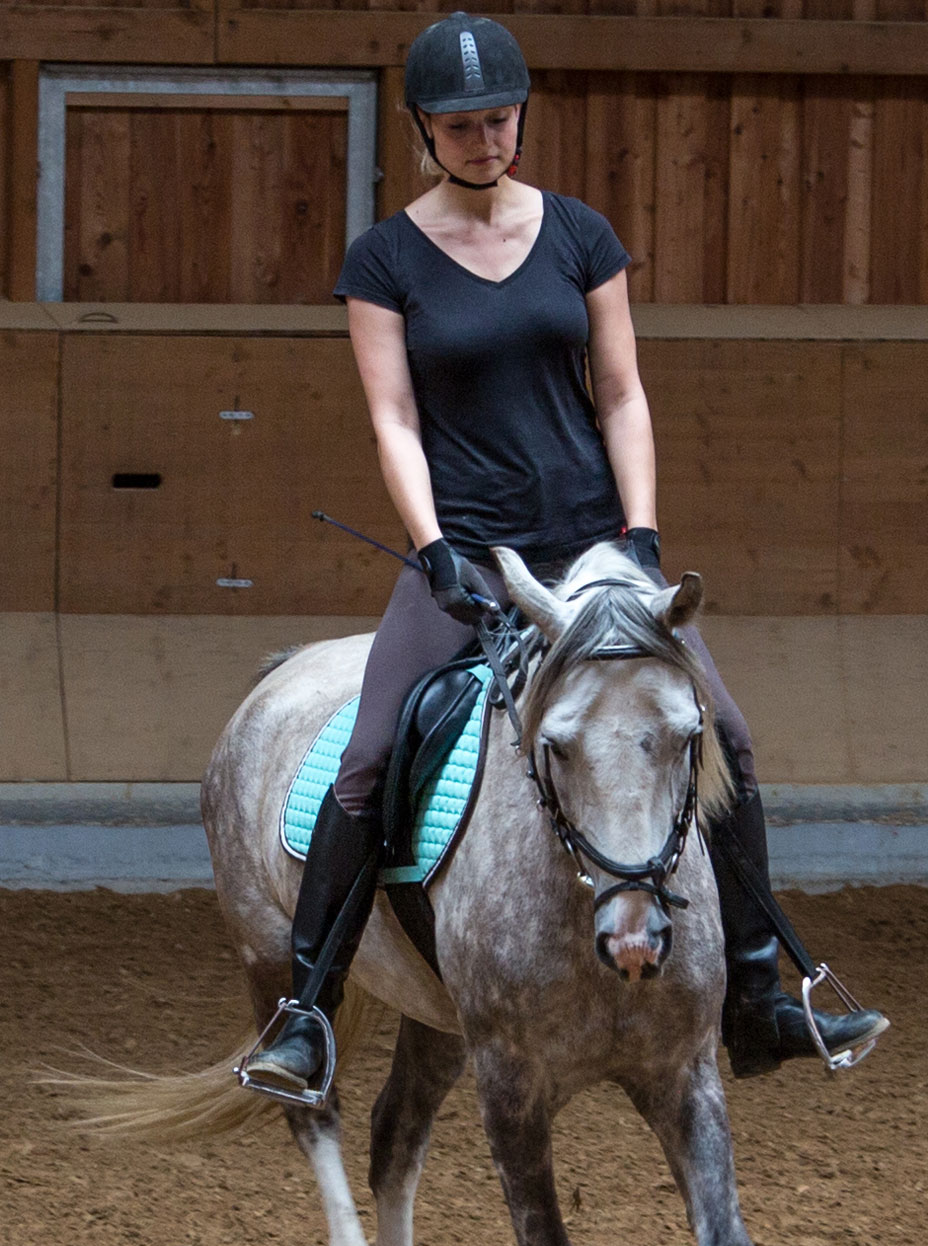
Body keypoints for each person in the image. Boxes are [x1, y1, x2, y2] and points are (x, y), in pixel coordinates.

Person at [237, 11, 888, 1103]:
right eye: (462, 125)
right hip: (473, 559)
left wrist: (639, 528)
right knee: (372, 752)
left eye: (500, 119)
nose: (486, 139)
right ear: (422, 131)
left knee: (721, 730)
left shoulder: (581, 234)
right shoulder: (384, 258)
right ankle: (306, 1010)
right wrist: (436, 546)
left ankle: (766, 995)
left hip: (594, 551)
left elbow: (622, 389)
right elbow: (394, 417)